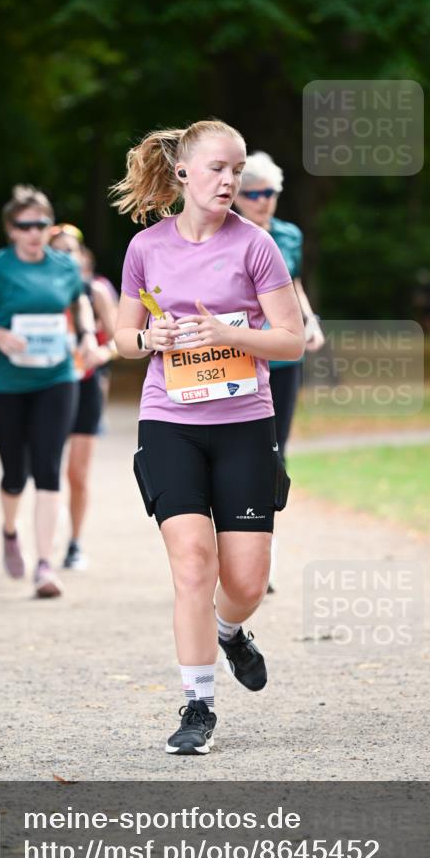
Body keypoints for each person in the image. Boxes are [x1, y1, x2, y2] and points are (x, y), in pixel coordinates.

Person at [111, 120, 305, 754]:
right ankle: (198, 704)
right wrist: (150, 340)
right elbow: (122, 338)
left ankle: (230, 630)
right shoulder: (146, 250)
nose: (231, 181)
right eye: (219, 168)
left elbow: (291, 339)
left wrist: (228, 334)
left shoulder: (256, 246)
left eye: (238, 170)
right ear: (185, 173)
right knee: (193, 562)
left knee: (245, 581)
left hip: (246, 422)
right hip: (170, 420)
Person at [0, 186, 98, 598]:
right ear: (10, 230)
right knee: (15, 472)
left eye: (41, 224)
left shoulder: (63, 266)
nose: (35, 232)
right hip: (1, 383)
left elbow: (81, 302)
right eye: (25, 226)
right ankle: (9, 532)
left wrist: (88, 334)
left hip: (55, 378)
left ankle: (44, 565)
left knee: (47, 467)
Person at [234, 151, 324, 592]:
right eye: (252, 193)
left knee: (274, 453)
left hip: (285, 357)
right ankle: (232, 553)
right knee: (239, 454)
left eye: (269, 192)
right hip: (241, 357)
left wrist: (311, 321)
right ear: (236, 196)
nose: (262, 200)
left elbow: (294, 284)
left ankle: (259, 558)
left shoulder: (289, 235)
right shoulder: (228, 236)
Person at [49, 227, 118, 570]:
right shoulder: (38, 291)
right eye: (57, 250)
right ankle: (45, 537)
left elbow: (123, 339)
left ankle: (75, 543)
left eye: (70, 250)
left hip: (86, 386)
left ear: (82, 256)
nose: (65, 256)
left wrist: (102, 354)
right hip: (45, 387)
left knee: (76, 473)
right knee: (44, 471)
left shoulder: (96, 292)